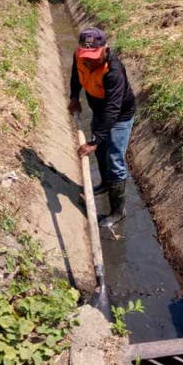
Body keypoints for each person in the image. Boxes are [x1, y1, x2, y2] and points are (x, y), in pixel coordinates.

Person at [68, 27, 136, 228]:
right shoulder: (80, 57)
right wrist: (74, 97)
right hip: (98, 109)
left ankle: (117, 212)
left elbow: (113, 110)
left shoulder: (113, 71)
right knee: (101, 152)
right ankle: (106, 184)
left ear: (105, 49)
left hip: (119, 116)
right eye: (86, 56)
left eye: (94, 56)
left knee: (114, 158)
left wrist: (95, 140)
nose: (90, 60)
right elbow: (75, 75)